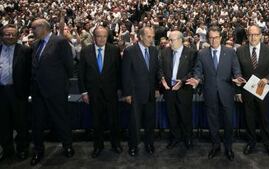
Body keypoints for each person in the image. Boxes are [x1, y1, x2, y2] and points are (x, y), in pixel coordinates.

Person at [186, 26, 244, 161]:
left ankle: (228, 147)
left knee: (228, 122)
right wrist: (196, 79)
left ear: (221, 38)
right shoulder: (202, 53)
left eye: (216, 37)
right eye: (210, 38)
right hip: (210, 92)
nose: (213, 40)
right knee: (213, 122)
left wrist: (238, 77)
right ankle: (216, 145)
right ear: (207, 38)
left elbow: (236, 69)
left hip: (227, 92)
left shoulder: (230, 52)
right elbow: (198, 71)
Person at [30, 18, 74, 166]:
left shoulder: (60, 42)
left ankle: (67, 146)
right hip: (37, 91)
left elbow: (69, 66)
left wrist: (61, 86)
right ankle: (38, 150)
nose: (32, 31)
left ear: (43, 27)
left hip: (56, 90)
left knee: (61, 119)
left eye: (34, 28)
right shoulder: (35, 44)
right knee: (37, 123)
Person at [78, 26, 122, 158]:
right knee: (96, 122)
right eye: (99, 36)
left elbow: (119, 72)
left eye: (104, 36)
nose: (102, 39)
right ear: (93, 37)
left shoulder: (114, 50)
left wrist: (120, 89)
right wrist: (84, 92)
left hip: (111, 93)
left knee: (114, 121)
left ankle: (116, 144)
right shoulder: (85, 51)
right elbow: (81, 74)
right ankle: (98, 146)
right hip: (93, 94)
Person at [235, 25, 269, 159]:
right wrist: (238, 91)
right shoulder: (240, 50)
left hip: (262, 89)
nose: (253, 37)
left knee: (265, 119)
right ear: (247, 36)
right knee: (249, 119)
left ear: (261, 35)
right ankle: (251, 142)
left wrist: (267, 78)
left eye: (255, 34)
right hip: (246, 90)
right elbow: (237, 72)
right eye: (250, 35)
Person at [122, 26, 159, 157]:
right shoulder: (130, 51)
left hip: (150, 94)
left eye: (153, 36)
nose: (152, 39)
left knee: (150, 122)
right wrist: (126, 94)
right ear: (141, 36)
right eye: (149, 36)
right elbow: (125, 74)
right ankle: (133, 146)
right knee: (134, 123)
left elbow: (155, 72)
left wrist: (156, 89)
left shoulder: (154, 50)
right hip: (135, 94)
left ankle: (149, 144)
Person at [159, 31, 197, 150]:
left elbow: (194, 71)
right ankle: (175, 138)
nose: (169, 42)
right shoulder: (165, 52)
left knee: (185, 116)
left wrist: (183, 81)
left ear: (180, 40)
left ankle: (188, 138)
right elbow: (159, 68)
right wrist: (162, 79)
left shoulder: (191, 53)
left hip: (184, 90)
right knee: (172, 116)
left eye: (172, 40)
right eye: (169, 40)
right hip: (169, 90)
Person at [0, 24, 32, 161]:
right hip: (1, 92)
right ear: (2, 36)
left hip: (18, 92)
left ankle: (22, 149)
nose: (10, 36)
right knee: (3, 124)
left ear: (18, 36)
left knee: (21, 123)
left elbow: (30, 73)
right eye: (7, 34)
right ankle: (7, 150)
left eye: (13, 34)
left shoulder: (25, 51)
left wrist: (28, 91)